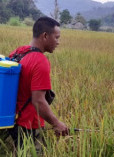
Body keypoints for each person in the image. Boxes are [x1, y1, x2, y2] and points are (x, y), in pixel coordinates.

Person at [8, 17, 69, 149]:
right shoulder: (40, 61)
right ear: (45, 36)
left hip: (12, 120)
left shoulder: (19, 52)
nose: (58, 42)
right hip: (28, 124)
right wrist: (57, 123)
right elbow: (38, 101)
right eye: (57, 37)